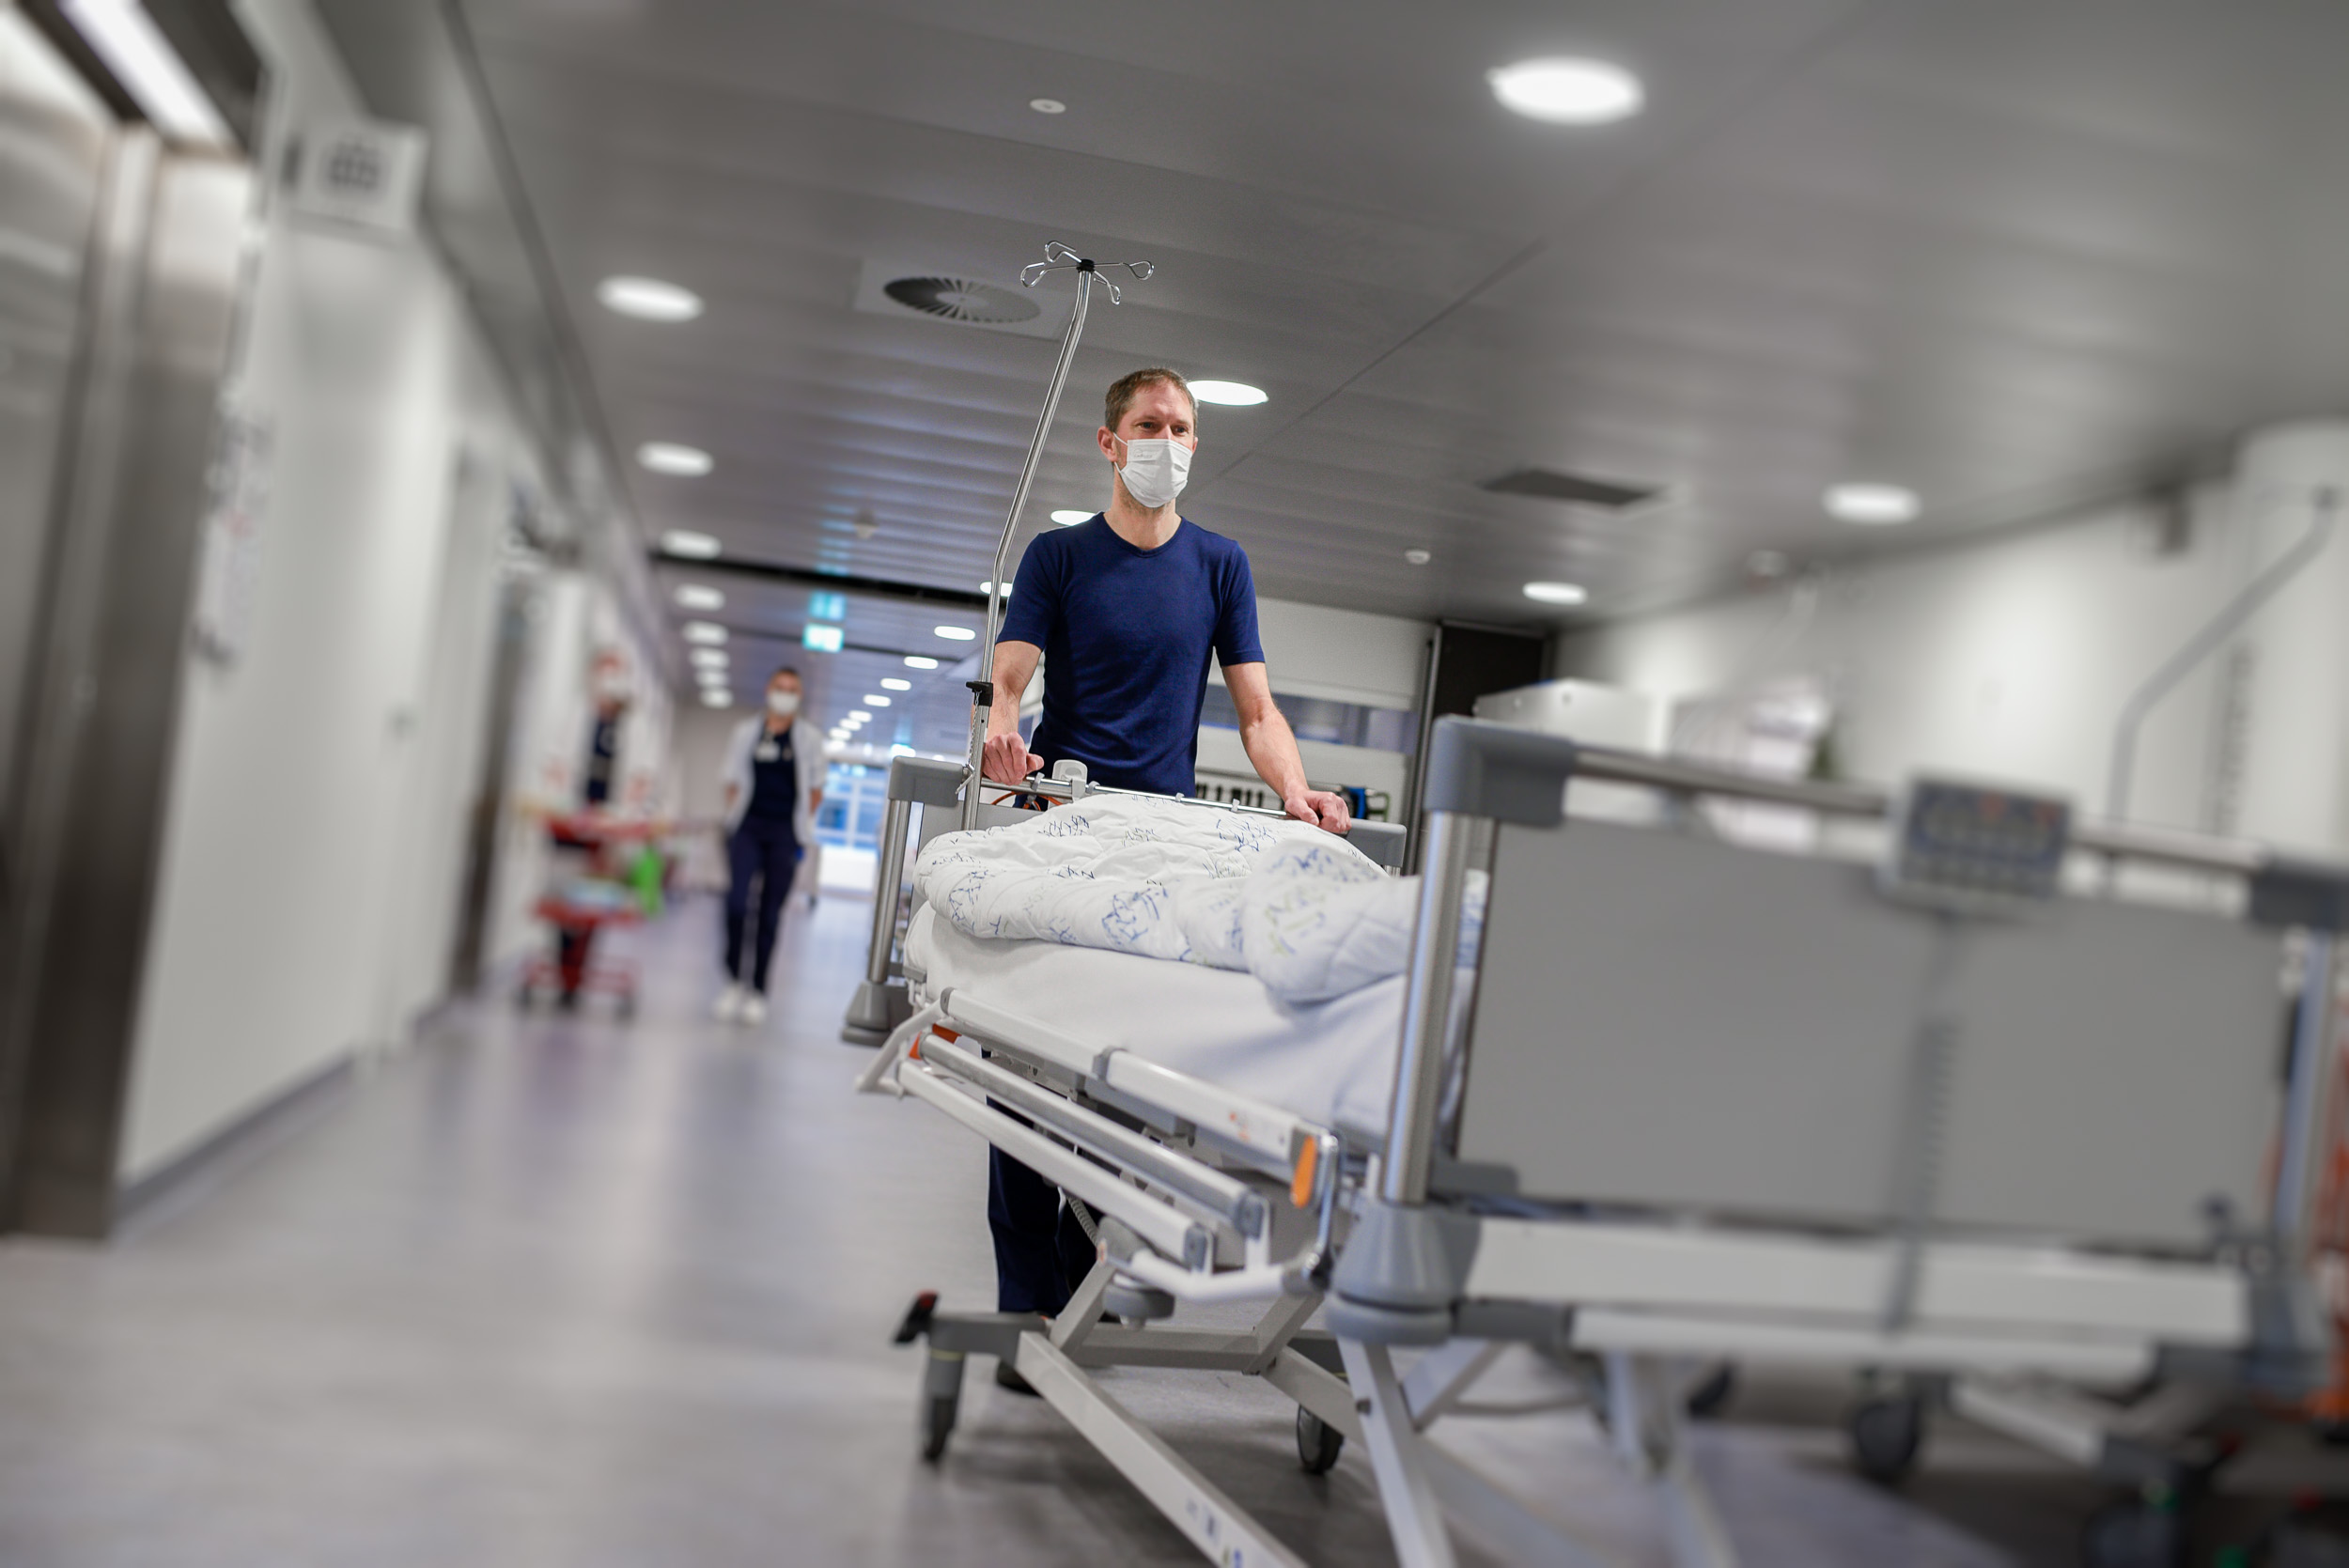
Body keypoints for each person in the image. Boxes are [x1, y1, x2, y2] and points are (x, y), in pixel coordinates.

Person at [978, 367, 1350, 1386]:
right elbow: (1010, 674)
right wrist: (1003, 730)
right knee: (1021, 1066)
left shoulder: (1220, 565)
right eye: (1150, 425)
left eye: (1183, 428)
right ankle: (1025, 1298)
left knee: (1125, 1075)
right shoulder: (1060, 554)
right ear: (1110, 442)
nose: (1169, 442)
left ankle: (1089, 1251)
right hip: (1066, 820)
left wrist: (1299, 794)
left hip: (1163, 833)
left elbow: (1258, 711)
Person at [715, 667, 823, 1025]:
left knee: (769, 914)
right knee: (735, 904)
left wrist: (801, 827)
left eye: (792, 690)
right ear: (768, 689)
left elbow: (816, 790)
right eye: (780, 687)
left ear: (799, 697)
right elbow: (732, 780)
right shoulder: (746, 732)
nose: (785, 694)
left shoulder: (808, 738)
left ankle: (758, 990)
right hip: (747, 828)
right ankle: (734, 980)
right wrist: (734, 815)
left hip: (784, 833)